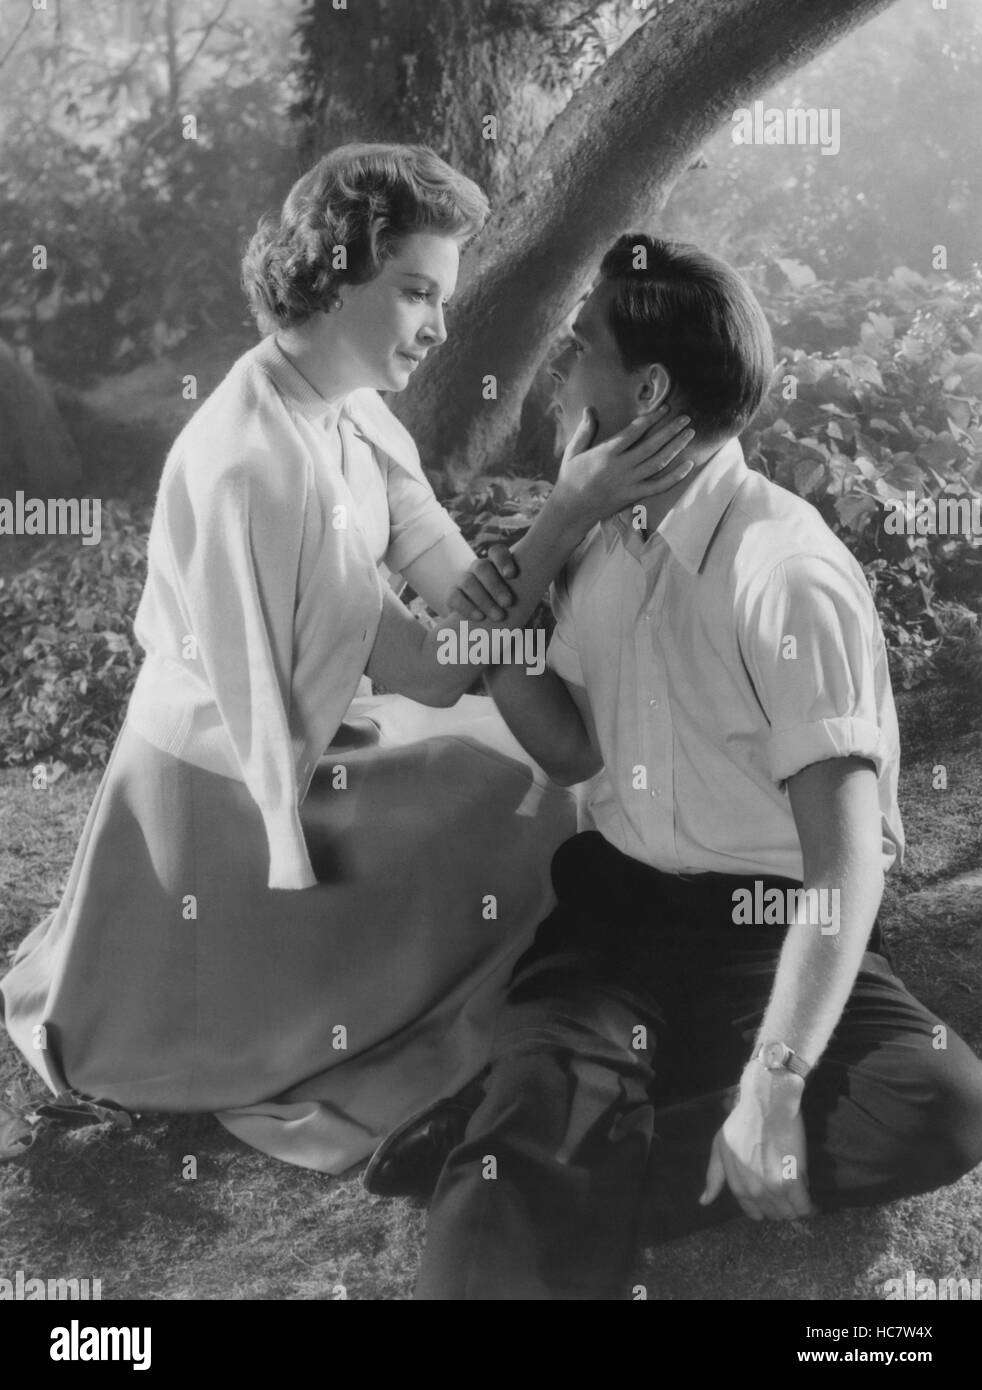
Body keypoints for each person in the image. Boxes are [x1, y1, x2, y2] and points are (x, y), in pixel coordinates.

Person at [0, 148, 693, 1175]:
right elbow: (438, 669)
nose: (440, 325)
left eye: (442, 296)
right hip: (221, 800)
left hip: (292, 734)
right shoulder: (264, 464)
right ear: (333, 274)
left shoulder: (347, 408)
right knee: (525, 797)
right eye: (416, 291)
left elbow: (461, 584)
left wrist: (563, 521)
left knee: (527, 761)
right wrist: (573, 507)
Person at [366, 233, 982, 1299]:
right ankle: (526, 1156)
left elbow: (843, 871)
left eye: (578, 353)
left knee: (937, 1100)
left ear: (644, 388)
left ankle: (524, 1166)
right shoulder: (598, 541)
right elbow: (559, 736)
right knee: (510, 1191)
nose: (559, 376)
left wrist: (778, 1084)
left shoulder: (785, 574)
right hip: (612, 931)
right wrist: (558, 521)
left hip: (769, 924)